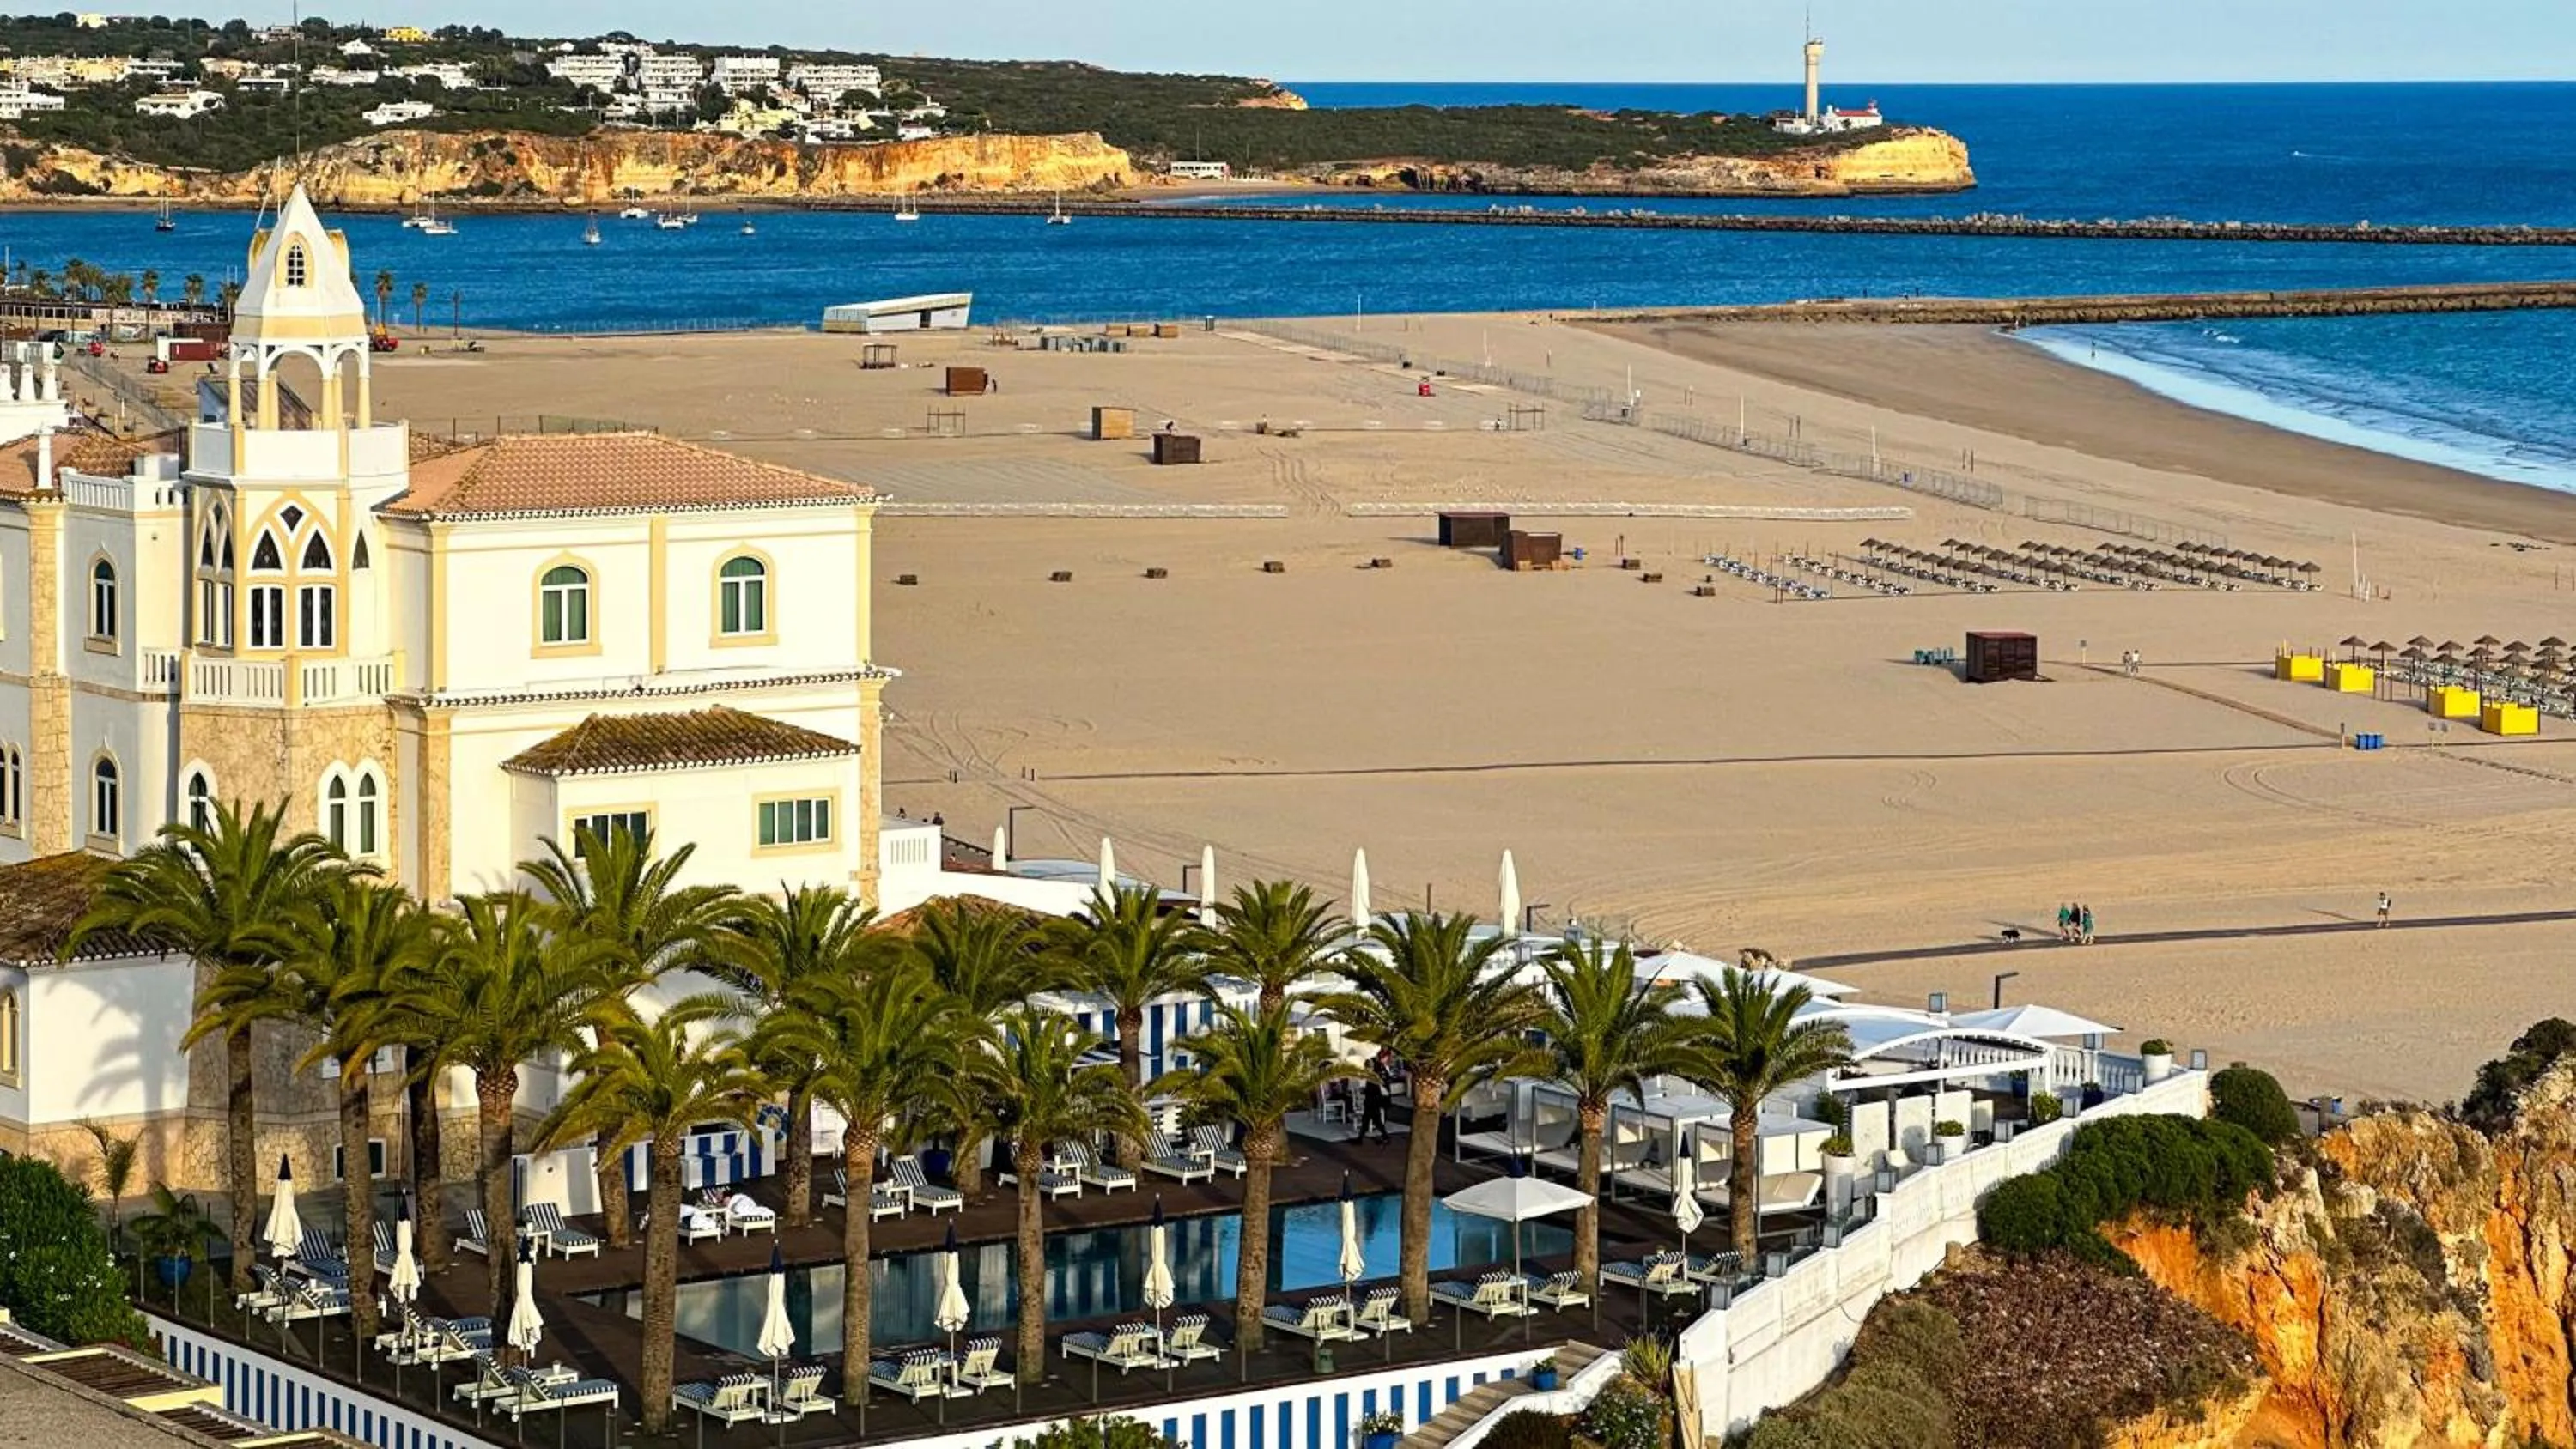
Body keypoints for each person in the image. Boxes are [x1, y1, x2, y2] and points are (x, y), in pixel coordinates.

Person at [1354, 1075, 1392, 1145]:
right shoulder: (1376, 1082)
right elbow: (1385, 1093)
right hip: (1374, 1104)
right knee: (1371, 1122)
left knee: (1370, 1122)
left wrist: (1363, 1091)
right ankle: (1360, 1139)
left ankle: (1360, 1139)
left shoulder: (1368, 1082)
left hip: (1371, 1104)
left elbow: (1365, 1091)